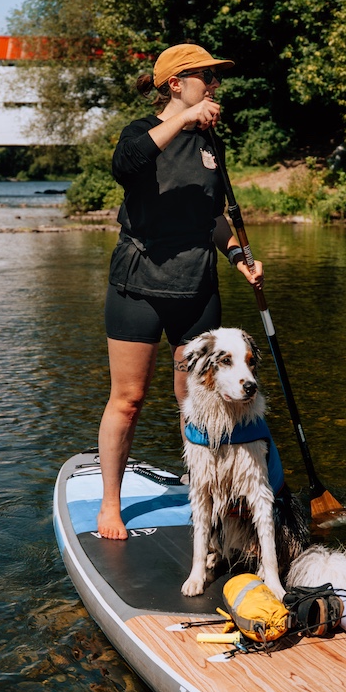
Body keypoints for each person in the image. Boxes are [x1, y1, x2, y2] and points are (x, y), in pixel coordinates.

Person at [95, 43, 263, 541]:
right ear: (176, 84)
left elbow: (214, 219)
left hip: (196, 285)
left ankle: (207, 490)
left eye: (216, 77)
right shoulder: (139, 134)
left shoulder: (213, 144)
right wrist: (186, 118)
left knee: (197, 401)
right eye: (205, 78)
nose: (214, 86)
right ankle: (110, 505)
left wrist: (238, 258)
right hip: (138, 284)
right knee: (128, 399)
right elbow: (126, 166)